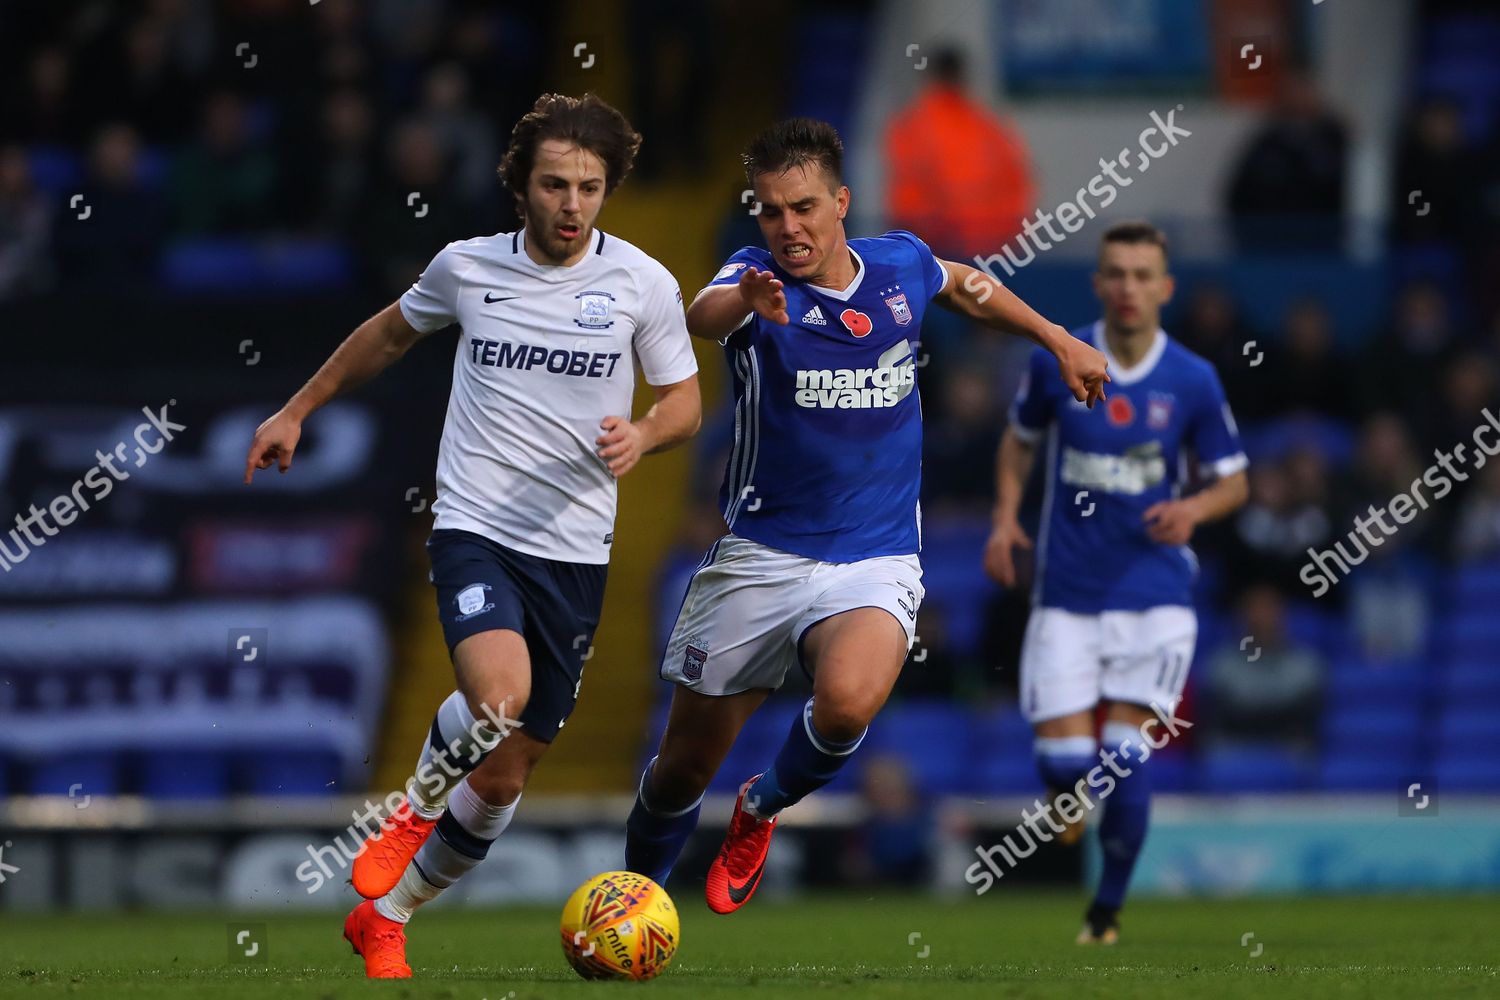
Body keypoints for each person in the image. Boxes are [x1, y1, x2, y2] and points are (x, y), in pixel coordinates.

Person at [243, 93, 701, 978]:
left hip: (576, 552)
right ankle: (409, 809)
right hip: (477, 526)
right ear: (521, 188)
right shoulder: (466, 268)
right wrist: (298, 409)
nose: (573, 205)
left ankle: (389, 916)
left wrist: (644, 433)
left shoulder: (640, 282)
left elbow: (683, 398)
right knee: (496, 697)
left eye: (590, 188)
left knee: (500, 780)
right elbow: (387, 335)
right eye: (556, 185)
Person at [622, 118, 1110, 914]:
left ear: (842, 202)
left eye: (804, 207)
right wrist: (746, 301)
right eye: (771, 212)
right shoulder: (752, 278)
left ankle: (762, 807)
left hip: (874, 554)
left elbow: (967, 286)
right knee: (682, 765)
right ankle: (635, 894)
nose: (788, 227)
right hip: (761, 554)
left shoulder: (900, 264)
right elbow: (703, 316)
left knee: (848, 702)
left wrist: (1056, 339)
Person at [983, 221, 1249, 944]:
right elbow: (1019, 439)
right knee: (1065, 764)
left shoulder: (1192, 379)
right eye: (1116, 273)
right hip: (1066, 592)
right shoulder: (1058, 359)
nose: (1129, 287)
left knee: (1125, 756)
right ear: (1098, 283)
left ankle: (1105, 913)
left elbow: (1235, 482)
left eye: (1142, 275)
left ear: (1164, 288)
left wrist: (1192, 506)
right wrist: (1006, 518)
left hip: (1154, 593)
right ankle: (1068, 804)